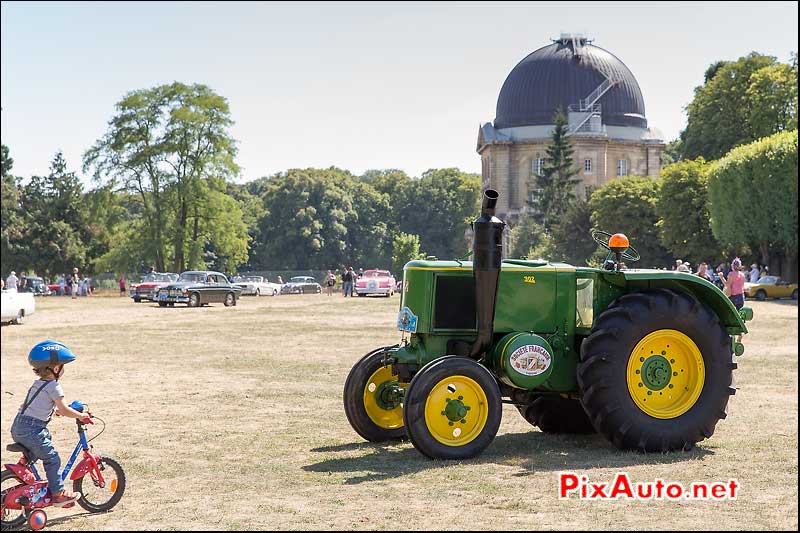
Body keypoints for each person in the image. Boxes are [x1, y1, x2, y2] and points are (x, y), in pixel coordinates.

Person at [10, 340, 92, 507]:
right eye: (62, 366)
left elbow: (45, 406)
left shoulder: (38, 383)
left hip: (19, 426)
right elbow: (64, 409)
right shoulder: (54, 386)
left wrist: (59, 412)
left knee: (45, 437)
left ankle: (24, 465)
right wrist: (82, 416)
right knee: (53, 459)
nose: (63, 370)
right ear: (55, 369)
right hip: (32, 429)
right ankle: (58, 494)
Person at [726, 258, 747, 343]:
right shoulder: (742, 275)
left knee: (730, 316)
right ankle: (740, 335)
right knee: (740, 316)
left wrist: (721, 278)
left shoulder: (731, 274)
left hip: (733, 297)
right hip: (741, 296)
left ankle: (731, 335)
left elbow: (728, 286)